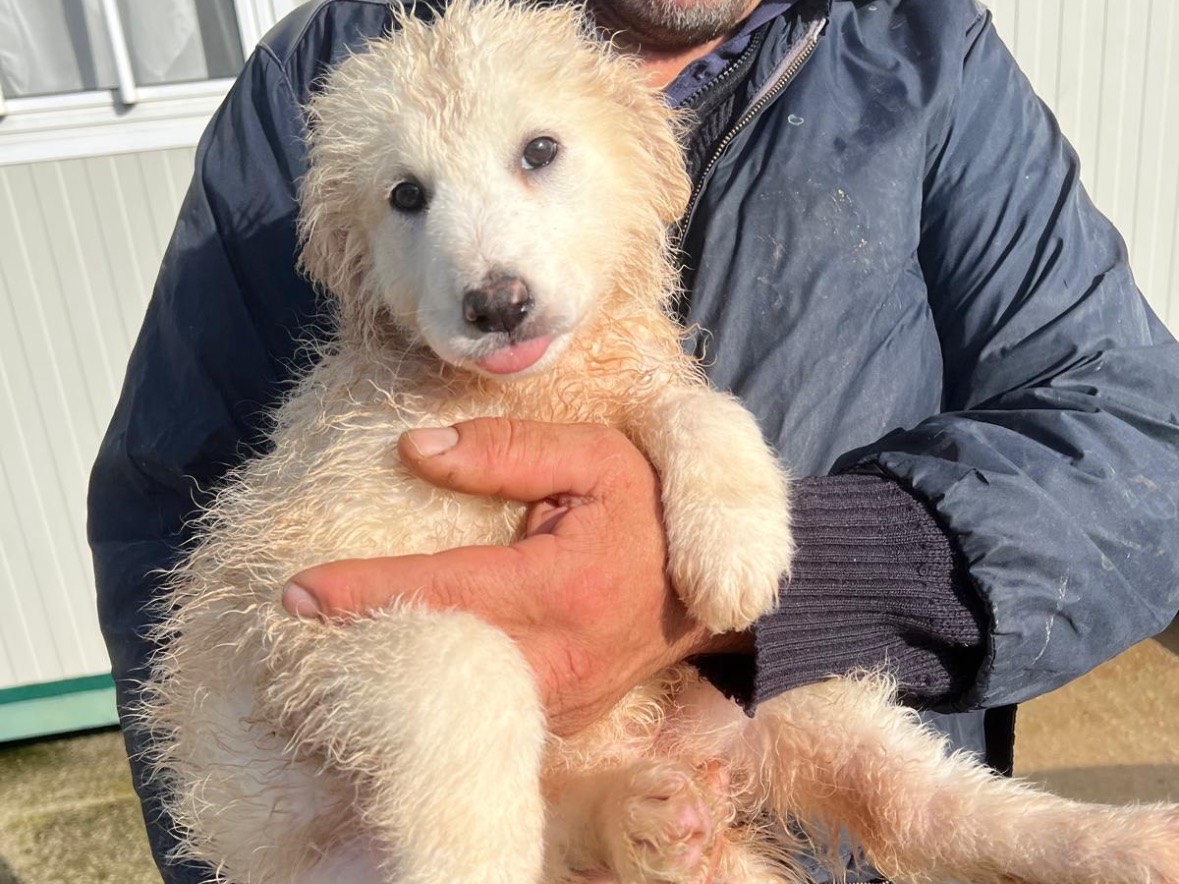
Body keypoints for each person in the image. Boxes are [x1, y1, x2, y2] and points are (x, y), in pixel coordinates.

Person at [87, 0, 1179, 880]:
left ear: (647, 158)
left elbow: (1141, 438)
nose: (490, 270)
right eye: (412, 197)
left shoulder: (927, 57)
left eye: (540, 153)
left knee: (843, 728)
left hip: (727, 768)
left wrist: (803, 582)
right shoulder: (315, 79)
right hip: (397, 803)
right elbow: (170, 525)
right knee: (462, 678)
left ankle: (1044, 842)